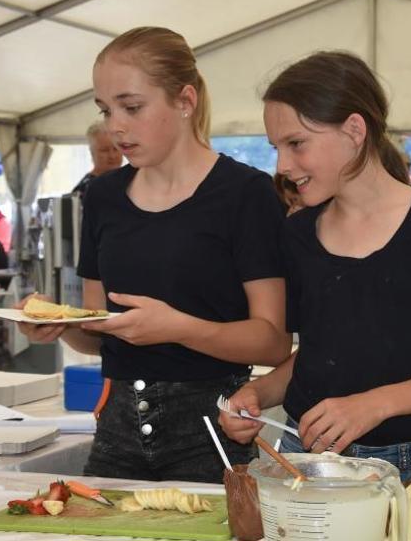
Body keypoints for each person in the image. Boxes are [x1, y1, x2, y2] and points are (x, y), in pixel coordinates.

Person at [218, 51, 411, 483]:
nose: (282, 166)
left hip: (399, 465)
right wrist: (259, 392)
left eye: (296, 144)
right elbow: (318, 355)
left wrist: (375, 404)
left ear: (355, 130)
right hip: (299, 456)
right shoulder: (297, 234)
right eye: (276, 148)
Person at [17, 26, 290, 484]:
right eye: (106, 110)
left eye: (132, 107)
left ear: (185, 100)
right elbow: (97, 332)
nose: (115, 126)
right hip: (115, 430)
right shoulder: (102, 196)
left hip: (214, 432)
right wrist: (60, 326)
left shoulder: (246, 194)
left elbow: (273, 342)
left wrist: (179, 328)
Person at [72, 122, 123, 194]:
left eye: (116, 149)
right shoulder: (87, 188)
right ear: (92, 153)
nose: (112, 156)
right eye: (104, 150)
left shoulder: (129, 182)